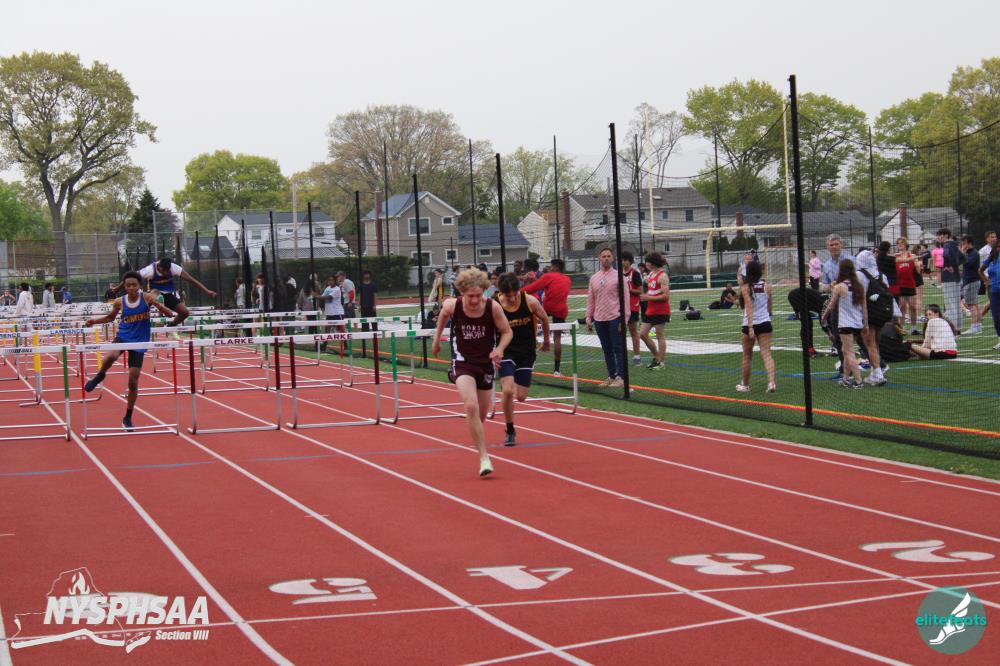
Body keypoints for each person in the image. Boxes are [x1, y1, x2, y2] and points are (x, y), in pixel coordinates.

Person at [431, 268, 512, 477]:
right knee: (471, 405)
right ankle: (484, 458)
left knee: (481, 415)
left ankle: (475, 430)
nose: (475, 300)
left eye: (478, 295)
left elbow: (507, 331)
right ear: (462, 292)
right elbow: (443, 315)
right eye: (470, 296)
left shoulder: (493, 307)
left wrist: (500, 349)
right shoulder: (453, 305)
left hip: (485, 364)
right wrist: (436, 340)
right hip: (462, 362)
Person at [83, 271, 179, 431]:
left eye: (134, 285)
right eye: (128, 285)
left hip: (139, 341)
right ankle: (100, 375)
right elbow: (110, 318)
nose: (131, 288)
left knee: (133, 382)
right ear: (125, 287)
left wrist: (163, 309)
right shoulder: (119, 302)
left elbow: (165, 310)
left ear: (139, 286)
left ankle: (128, 417)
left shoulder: (146, 298)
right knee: (111, 356)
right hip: (123, 336)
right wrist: (94, 321)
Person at [495, 272, 549, 446]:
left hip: (526, 352)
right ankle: (510, 430)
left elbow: (544, 319)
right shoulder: (495, 305)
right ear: (501, 292)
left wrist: (546, 340)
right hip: (506, 351)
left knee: (521, 397)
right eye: (507, 295)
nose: (512, 299)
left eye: (514, 294)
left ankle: (510, 388)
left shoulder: (530, 301)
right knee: (508, 391)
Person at [822, 259, 868, 389]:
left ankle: (858, 381)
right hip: (857, 323)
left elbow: (831, 306)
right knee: (845, 350)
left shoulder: (839, 287)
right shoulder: (859, 286)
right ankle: (845, 379)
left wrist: (824, 317)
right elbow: (864, 308)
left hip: (845, 324)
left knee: (849, 352)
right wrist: (866, 324)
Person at [586, 247, 628, 388]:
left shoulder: (619, 277)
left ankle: (621, 377)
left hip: (615, 317)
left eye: (608, 256)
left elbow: (625, 299)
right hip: (599, 319)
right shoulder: (594, 278)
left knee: (618, 348)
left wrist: (624, 319)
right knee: (606, 349)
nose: (606, 259)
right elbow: (591, 299)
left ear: (613, 258)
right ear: (599, 258)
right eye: (603, 256)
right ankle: (612, 375)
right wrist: (589, 317)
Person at [523, 258, 570, 376]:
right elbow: (554, 288)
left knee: (531, 329)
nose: (549, 268)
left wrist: (516, 293)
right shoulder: (567, 279)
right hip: (561, 309)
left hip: (547, 308)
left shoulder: (548, 276)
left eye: (551, 266)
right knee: (557, 339)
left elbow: (532, 288)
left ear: (556, 267)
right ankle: (557, 370)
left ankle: (531, 358)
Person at [737, 260, 776, 393]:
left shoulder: (745, 287)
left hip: (750, 324)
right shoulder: (767, 286)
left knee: (747, 356)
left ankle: (745, 385)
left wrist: (751, 327)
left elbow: (749, 307)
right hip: (765, 323)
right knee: (767, 354)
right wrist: (768, 317)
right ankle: (771, 383)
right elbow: (770, 306)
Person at [138, 257, 216, 324]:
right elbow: (135, 276)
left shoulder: (174, 268)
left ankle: (171, 325)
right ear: (159, 266)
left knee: (184, 312)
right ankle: (159, 307)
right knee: (153, 295)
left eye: (167, 270)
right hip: (155, 293)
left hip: (168, 294)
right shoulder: (150, 270)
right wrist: (138, 292)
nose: (165, 272)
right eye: (163, 270)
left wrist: (207, 291)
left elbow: (191, 280)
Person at [855, 250, 888, 386]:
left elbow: (859, 295)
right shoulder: (881, 275)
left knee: (870, 344)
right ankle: (875, 371)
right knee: (875, 343)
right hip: (882, 313)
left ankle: (878, 374)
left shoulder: (860, 275)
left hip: (868, 313)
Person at [638, 252, 670, 370]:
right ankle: (657, 357)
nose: (646, 264)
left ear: (653, 263)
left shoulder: (663, 275)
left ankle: (661, 363)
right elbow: (652, 290)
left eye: (648, 261)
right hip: (650, 309)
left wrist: (648, 297)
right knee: (642, 334)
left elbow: (666, 296)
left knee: (659, 335)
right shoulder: (651, 274)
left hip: (661, 310)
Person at [937, 228, 963, 331]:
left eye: (939, 235)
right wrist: (955, 267)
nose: (938, 238)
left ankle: (953, 328)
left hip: (948, 278)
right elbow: (963, 258)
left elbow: (947, 255)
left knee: (950, 304)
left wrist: (949, 266)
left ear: (946, 235)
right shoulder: (954, 245)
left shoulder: (947, 245)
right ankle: (959, 327)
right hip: (956, 278)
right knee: (956, 303)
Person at [621, 251, 643, 366]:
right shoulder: (618, 274)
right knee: (620, 332)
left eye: (625, 260)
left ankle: (637, 357)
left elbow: (640, 291)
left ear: (630, 261)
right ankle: (621, 357)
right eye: (621, 260)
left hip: (632, 307)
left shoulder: (635, 274)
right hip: (620, 307)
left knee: (633, 331)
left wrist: (628, 290)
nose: (623, 262)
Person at [894, 238, 919, 332]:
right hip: (899, 285)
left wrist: (917, 264)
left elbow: (918, 270)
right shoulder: (895, 256)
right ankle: (902, 327)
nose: (900, 245)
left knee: (913, 307)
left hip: (910, 284)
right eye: (898, 243)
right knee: (902, 307)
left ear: (906, 244)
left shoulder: (912, 255)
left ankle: (914, 328)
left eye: (902, 243)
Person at [979, 240, 1000, 350]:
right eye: (998, 247)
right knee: (996, 317)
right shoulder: (991, 258)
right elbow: (980, 270)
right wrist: (986, 280)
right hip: (993, 291)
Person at [959, 235, 982, 335]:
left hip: (972, 281)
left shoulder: (974, 253)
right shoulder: (970, 253)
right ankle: (978, 327)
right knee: (974, 305)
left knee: (971, 305)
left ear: (968, 243)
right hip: (969, 281)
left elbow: (966, 263)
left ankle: (974, 327)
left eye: (963, 243)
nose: (962, 245)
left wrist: (962, 253)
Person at [321, 276, 344, 348]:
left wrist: (318, 296)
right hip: (329, 313)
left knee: (341, 329)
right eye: (329, 280)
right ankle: (324, 345)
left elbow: (329, 297)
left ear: (335, 281)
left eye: (332, 280)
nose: (330, 282)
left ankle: (345, 344)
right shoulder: (327, 288)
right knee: (327, 329)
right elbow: (323, 297)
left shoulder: (337, 289)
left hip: (337, 312)